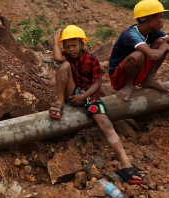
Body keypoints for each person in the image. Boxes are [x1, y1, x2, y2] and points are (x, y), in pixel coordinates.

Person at [49, 25, 143, 184]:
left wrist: (84, 96)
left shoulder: (91, 59)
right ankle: (59, 102)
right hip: (71, 93)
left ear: (81, 44)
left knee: (105, 122)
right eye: (67, 46)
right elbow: (58, 59)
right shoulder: (65, 56)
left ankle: (125, 162)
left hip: (89, 94)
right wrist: (55, 41)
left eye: (74, 45)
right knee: (63, 65)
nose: (70, 49)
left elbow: (98, 82)